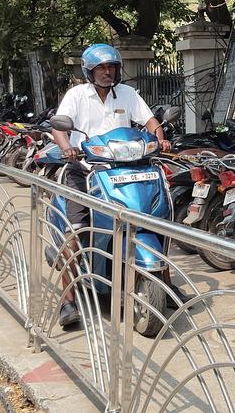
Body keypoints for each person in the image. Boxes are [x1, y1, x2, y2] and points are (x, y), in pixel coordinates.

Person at [49, 43, 171, 329]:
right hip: (84, 169)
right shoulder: (77, 95)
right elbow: (59, 127)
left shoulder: (127, 93)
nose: (107, 72)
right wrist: (67, 148)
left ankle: (165, 281)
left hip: (127, 168)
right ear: (89, 71)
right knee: (76, 230)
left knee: (159, 219)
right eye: (101, 68)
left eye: (111, 67)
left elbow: (150, 121)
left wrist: (160, 137)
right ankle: (68, 299)